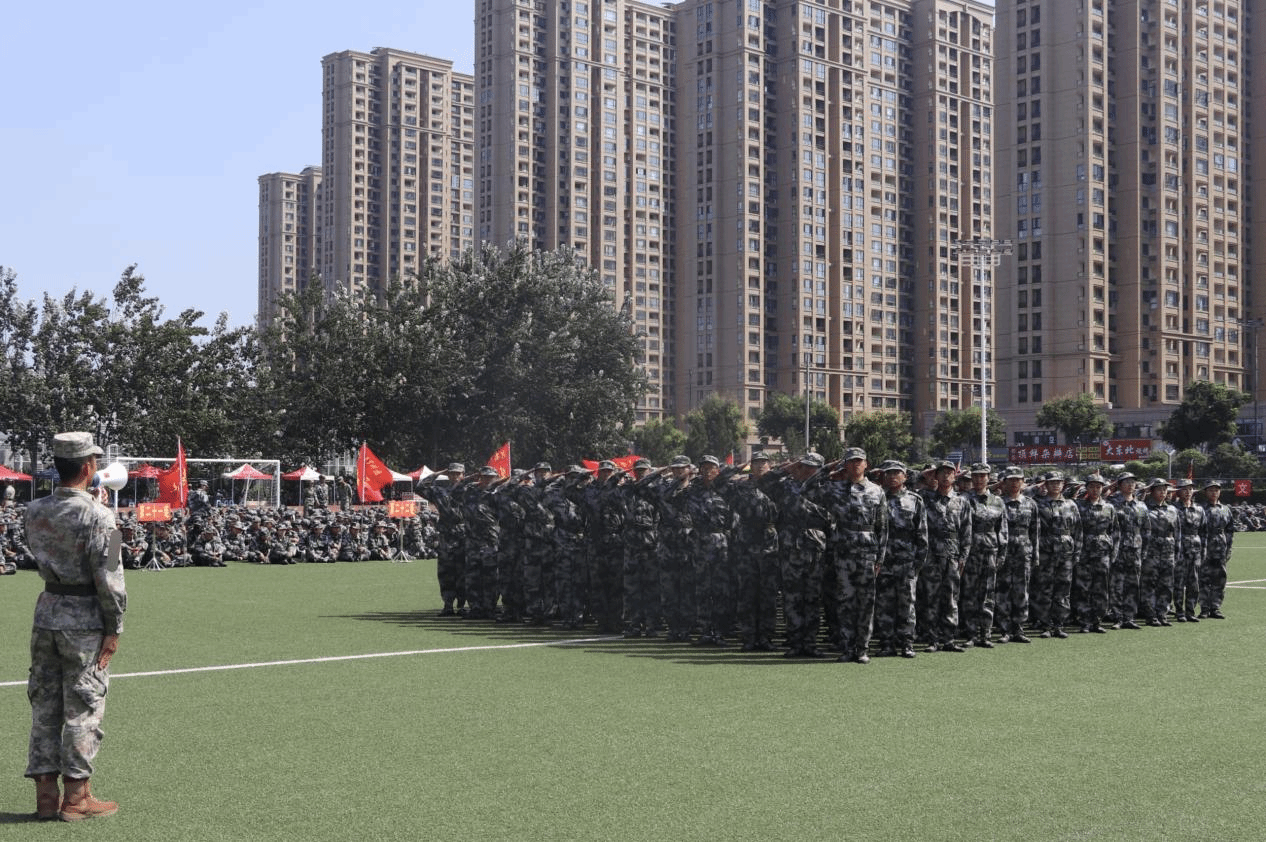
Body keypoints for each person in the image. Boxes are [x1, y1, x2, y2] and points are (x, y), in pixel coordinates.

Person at [25, 431, 125, 821]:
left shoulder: (34, 510)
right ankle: (77, 797)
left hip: (47, 611)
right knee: (83, 706)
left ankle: (45, 797)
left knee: (45, 706)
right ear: (88, 467)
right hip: (84, 620)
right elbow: (111, 573)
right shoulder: (102, 516)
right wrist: (114, 628)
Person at [1198, 480, 1234, 619]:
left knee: (1219, 578)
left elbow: (1230, 530)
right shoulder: (1200, 508)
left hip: (1220, 546)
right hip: (1204, 546)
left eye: (1216, 490)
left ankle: (1215, 607)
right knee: (1203, 578)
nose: (1214, 493)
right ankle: (1204, 608)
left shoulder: (1225, 509)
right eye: (1211, 490)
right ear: (1205, 492)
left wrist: (1228, 548)